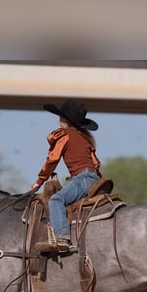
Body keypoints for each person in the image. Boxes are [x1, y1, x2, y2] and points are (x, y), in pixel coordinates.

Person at [31, 99, 101, 253]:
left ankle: (62, 238)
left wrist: (39, 181)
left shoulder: (65, 135)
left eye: (61, 117)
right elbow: (95, 164)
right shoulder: (85, 138)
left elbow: (52, 160)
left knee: (56, 200)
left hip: (82, 179)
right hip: (92, 178)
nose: (59, 120)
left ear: (66, 120)